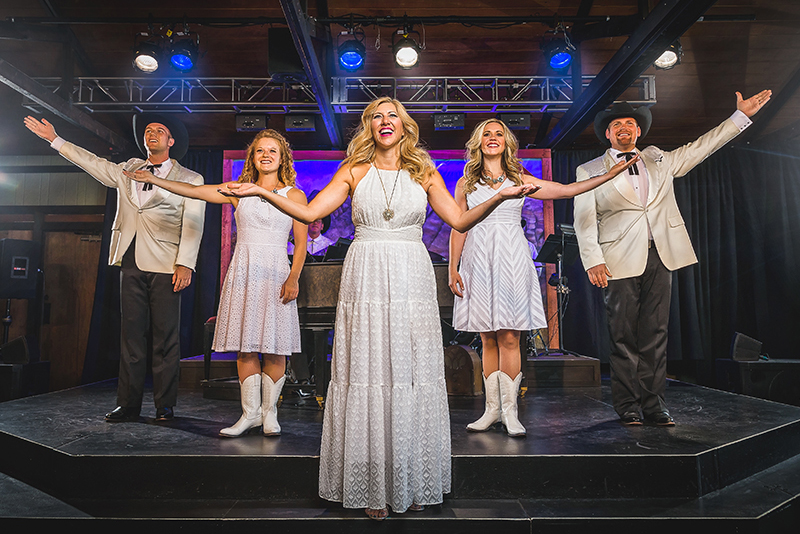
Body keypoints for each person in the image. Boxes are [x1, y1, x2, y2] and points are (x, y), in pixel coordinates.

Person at [219, 96, 536, 520]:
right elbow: (311, 211)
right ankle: (369, 483)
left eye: (393, 116)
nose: (385, 121)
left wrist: (501, 197)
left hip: (411, 272)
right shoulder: (353, 170)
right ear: (369, 127)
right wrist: (260, 190)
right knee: (369, 370)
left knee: (409, 371)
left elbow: (459, 222)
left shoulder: (424, 172)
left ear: (404, 126)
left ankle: (411, 477)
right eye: (376, 117)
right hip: (366, 270)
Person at [572, 90, 772, 426]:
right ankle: (628, 406)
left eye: (630, 124)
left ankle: (653, 404)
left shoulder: (659, 159)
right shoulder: (588, 169)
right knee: (622, 336)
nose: (624, 128)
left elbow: (701, 147)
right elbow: (584, 219)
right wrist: (593, 259)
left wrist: (739, 117)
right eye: (617, 124)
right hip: (616, 258)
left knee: (656, 332)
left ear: (639, 132)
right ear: (607, 133)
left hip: (661, 256)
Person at [448, 118, 640, 437]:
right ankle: (491, 411)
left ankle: (510, 413)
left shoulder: (520, 178)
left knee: (510, 336)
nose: (493, 138)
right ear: (478, 142)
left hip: (510, 257)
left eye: (499, 133)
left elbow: (566, 191)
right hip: (477, 260)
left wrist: (610, 174)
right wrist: (454, 266)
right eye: (487, 134)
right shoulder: (466, 184)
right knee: (486, 336)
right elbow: (459, 225)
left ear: (506, 143)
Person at [23, 113, 205, 422]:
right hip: (130, 259)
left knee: (166, 338)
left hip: (166, 263)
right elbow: (94, 163)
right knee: (131, 337)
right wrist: (55, 139)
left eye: (160, 131)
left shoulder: (190, 178)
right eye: (149, 130)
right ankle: (128, 404)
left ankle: (165, 406)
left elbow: (193, 224)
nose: (153, 133)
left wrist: (185, 264)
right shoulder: (128, 169)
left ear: (171, 141)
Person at [125, 129, 307, 437]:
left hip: (277, 272)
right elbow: (196, 191)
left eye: (272, 151)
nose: (265, 155)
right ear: (253, 157)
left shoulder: (294, 195)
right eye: (260, 150)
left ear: (282, 158)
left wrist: (293, 278)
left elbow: (300, 244)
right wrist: (156, 180)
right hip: (244, 273)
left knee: (276, 348)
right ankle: (249, 414)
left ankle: (269, 415)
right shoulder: (237, 191)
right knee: (245, 348)